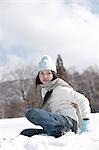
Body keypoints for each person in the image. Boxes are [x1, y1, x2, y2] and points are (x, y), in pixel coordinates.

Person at [20, 55, 91, 138]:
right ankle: (57, 131)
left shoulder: (60, 88)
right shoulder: (45, 90)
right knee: (25, 133)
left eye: (48, 73)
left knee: (32, 113)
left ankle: (62, 130)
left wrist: (85, 123)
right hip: (56, 123)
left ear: (53, 74)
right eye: (42, 73)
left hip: (68, 121)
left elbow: (82, 100)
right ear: (38, 76)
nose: (45, 76)